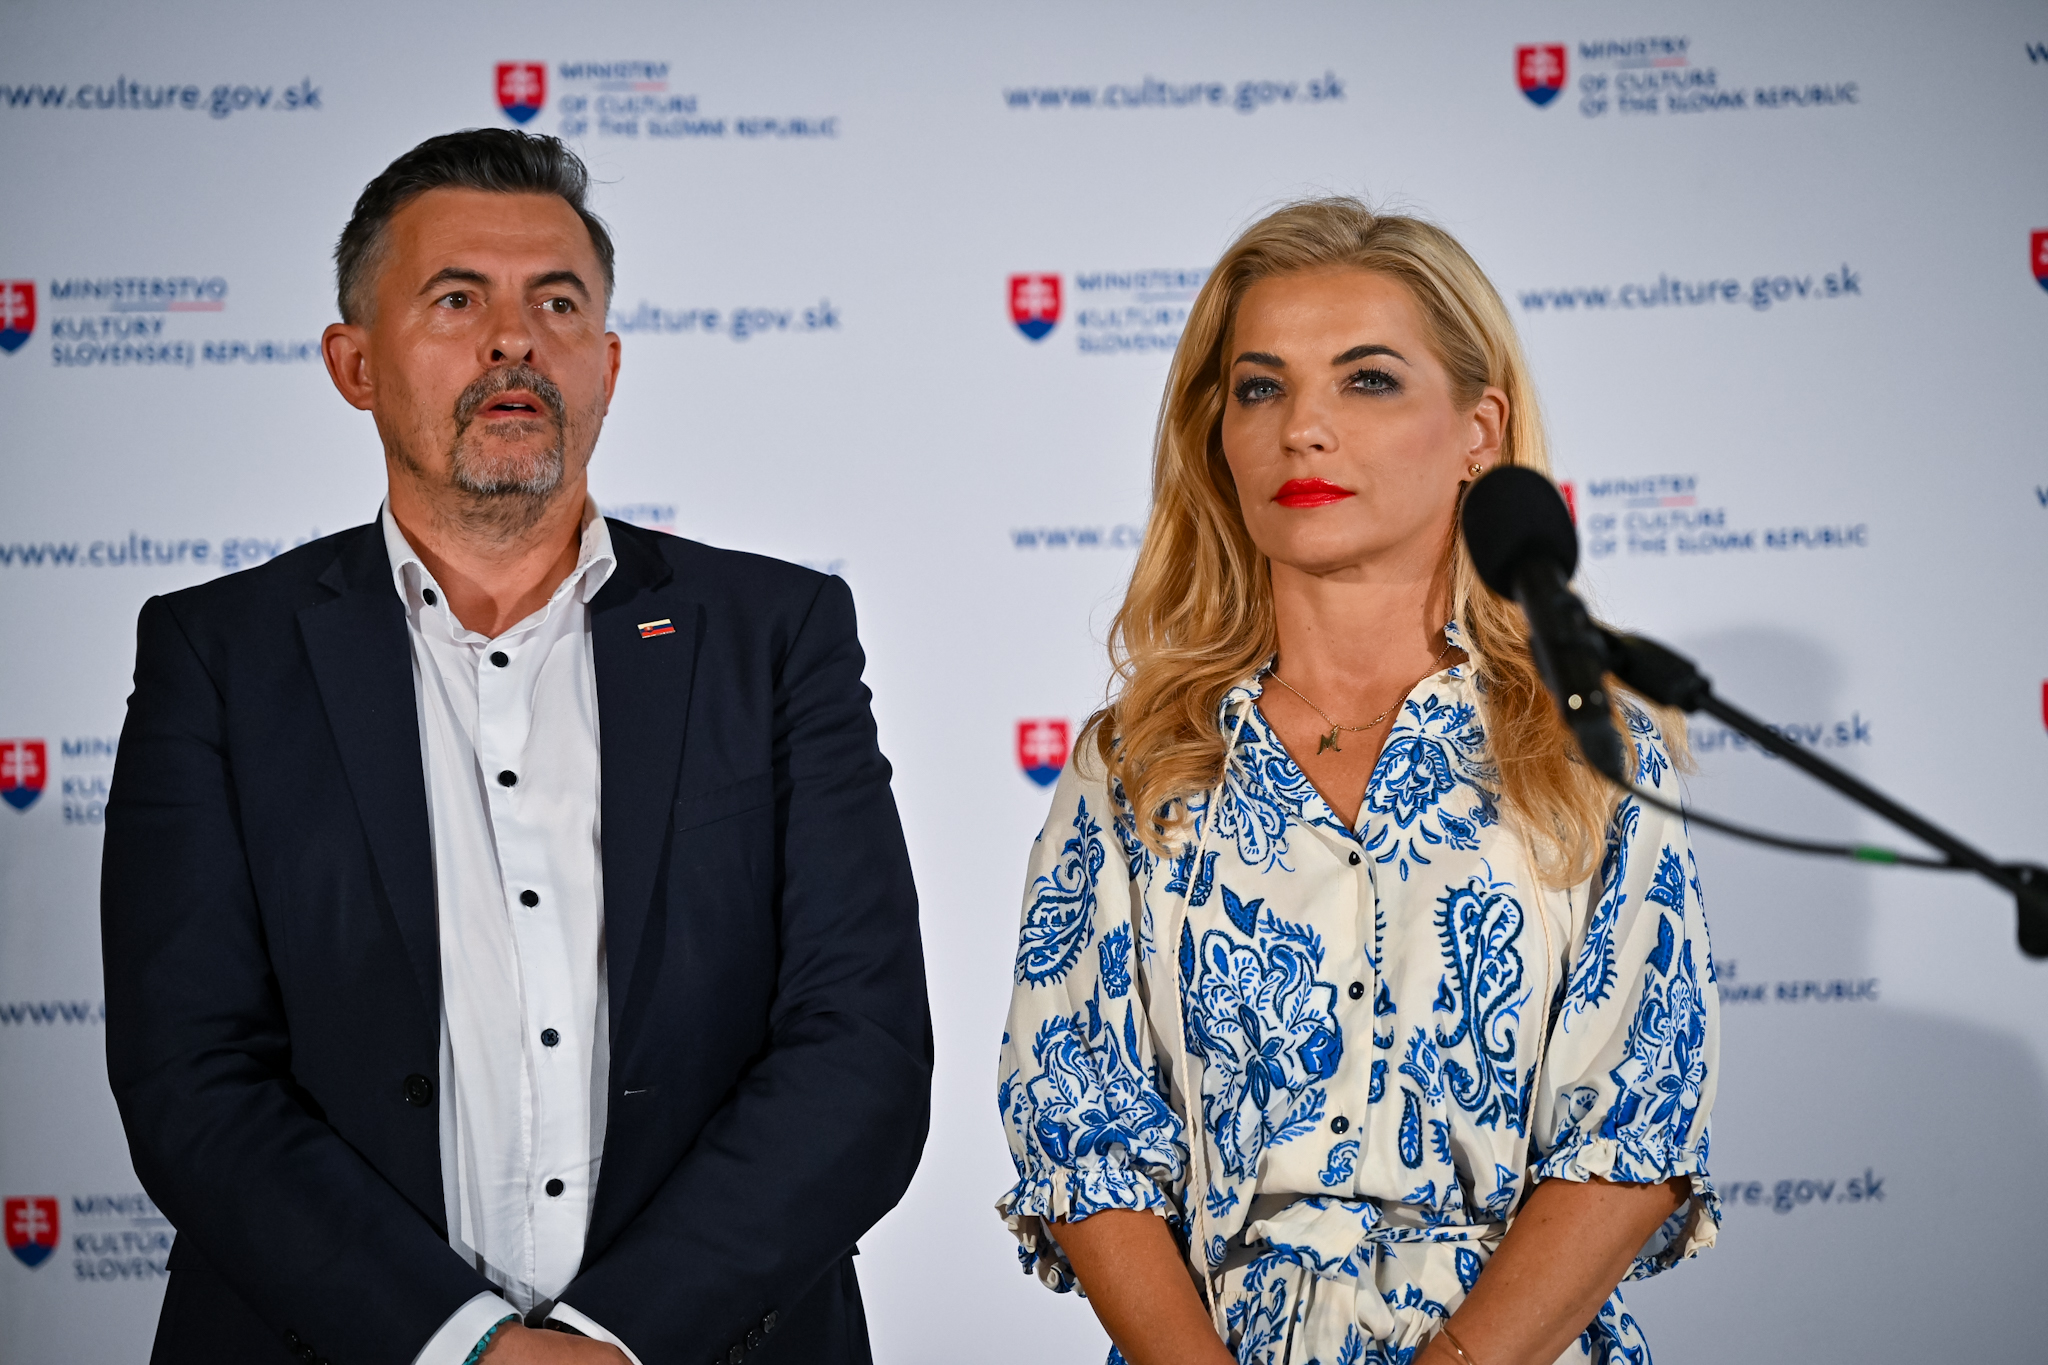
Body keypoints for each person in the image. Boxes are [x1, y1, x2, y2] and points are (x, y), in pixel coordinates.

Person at [102, 128, 930, 1365]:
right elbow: (193, 1077)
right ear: (355, 364)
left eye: (556, 302)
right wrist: (468, 1345)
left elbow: (860, 1049)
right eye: (456, 300)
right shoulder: (218, 655)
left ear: (607, 363)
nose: (513, 341)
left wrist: (615, 1338)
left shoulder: (776, 634)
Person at [995, 199, 1718, 1365]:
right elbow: (1081, 1135)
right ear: (1217, 436)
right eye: (1260, 388)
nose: (1303, 430)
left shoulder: (1588, 750)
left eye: (1366, 380)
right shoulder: (1133, 765)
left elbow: (1630, 1139)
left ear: (1477, 429)